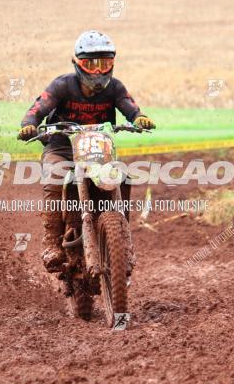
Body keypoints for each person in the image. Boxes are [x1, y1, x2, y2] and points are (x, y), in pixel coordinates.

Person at [17, 30, 156, 271]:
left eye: (105, 63)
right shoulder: (62, 85)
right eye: (90, 64)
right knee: (54, 177)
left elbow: (130, 107)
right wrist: (29, 125)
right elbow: (37, 108)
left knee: (122, 177)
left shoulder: (114, 87)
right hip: (61, 147)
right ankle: (52, 242)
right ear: (77, 64)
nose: (98, 71)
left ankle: (123, 243)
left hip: (98, 150)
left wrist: (139, 118)